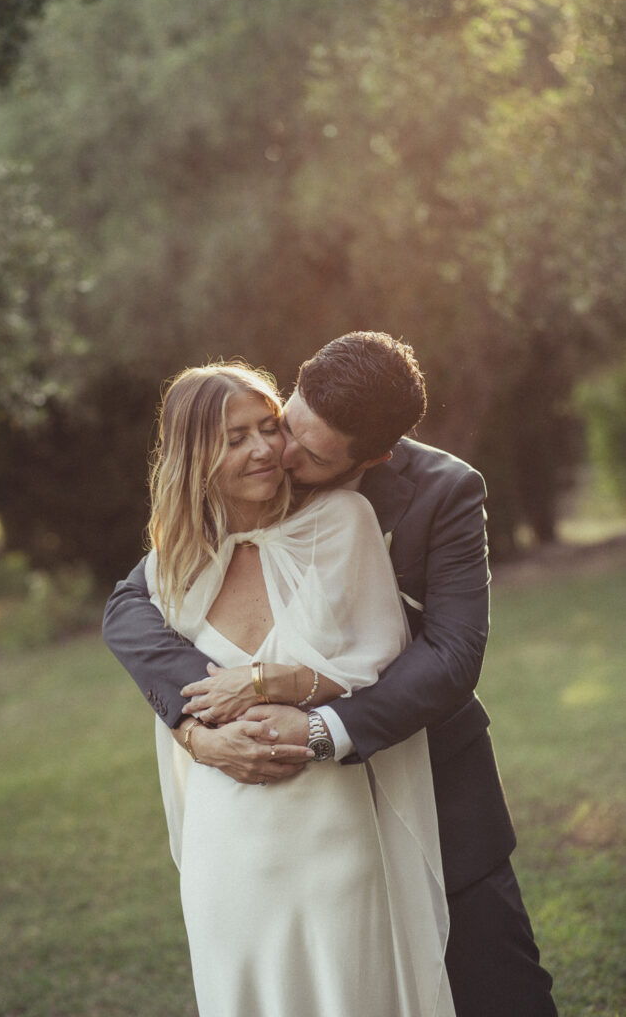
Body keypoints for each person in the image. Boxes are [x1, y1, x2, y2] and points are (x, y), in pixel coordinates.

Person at [103, 332, 557, 1017]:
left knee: (499, 991)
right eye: (286, 424)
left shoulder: (443, 492)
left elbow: (450, 657)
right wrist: (199, 725)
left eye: (308, 453)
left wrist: (317, 726)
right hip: (277, 831)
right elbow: (129, 607)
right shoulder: (236, 506)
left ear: (371, 456)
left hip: (431, 783)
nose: (278, 452)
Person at [133, 360, 454, 1017]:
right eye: (233, 437)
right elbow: (166, 685)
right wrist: (196, 738)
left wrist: (277, 681)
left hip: (328, 822)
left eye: (267, 427)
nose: (262, 450)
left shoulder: (342, 521)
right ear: (194, 456)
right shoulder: (170, 566)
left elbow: (379, 660)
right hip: (223, 836)